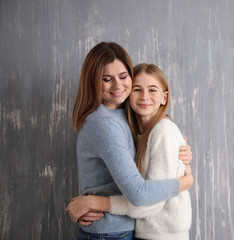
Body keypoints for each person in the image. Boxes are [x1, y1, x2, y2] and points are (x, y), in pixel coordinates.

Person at [67, 42, 193, 240]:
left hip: (120, 228)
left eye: (123, 77)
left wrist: (181, 155)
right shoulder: (106, 124)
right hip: (110, 231)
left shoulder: (126, 117)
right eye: (106, 79)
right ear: (93, 82)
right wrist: (185, 182)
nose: (118, 85)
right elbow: (139, 194)